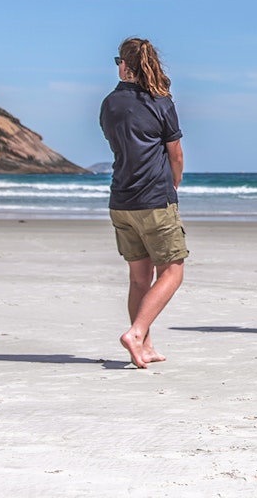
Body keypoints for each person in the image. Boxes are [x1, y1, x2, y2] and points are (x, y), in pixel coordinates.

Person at [99, 38, 187, 369]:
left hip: (121, 200)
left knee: (139, 277)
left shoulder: (109, 104)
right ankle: (137, 333)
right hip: (154, 198)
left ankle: (145, 345)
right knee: (173, 271)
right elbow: (175, 154)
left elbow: (119, 143)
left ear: (124, 64)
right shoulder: (161, 102)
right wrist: (175, 180)